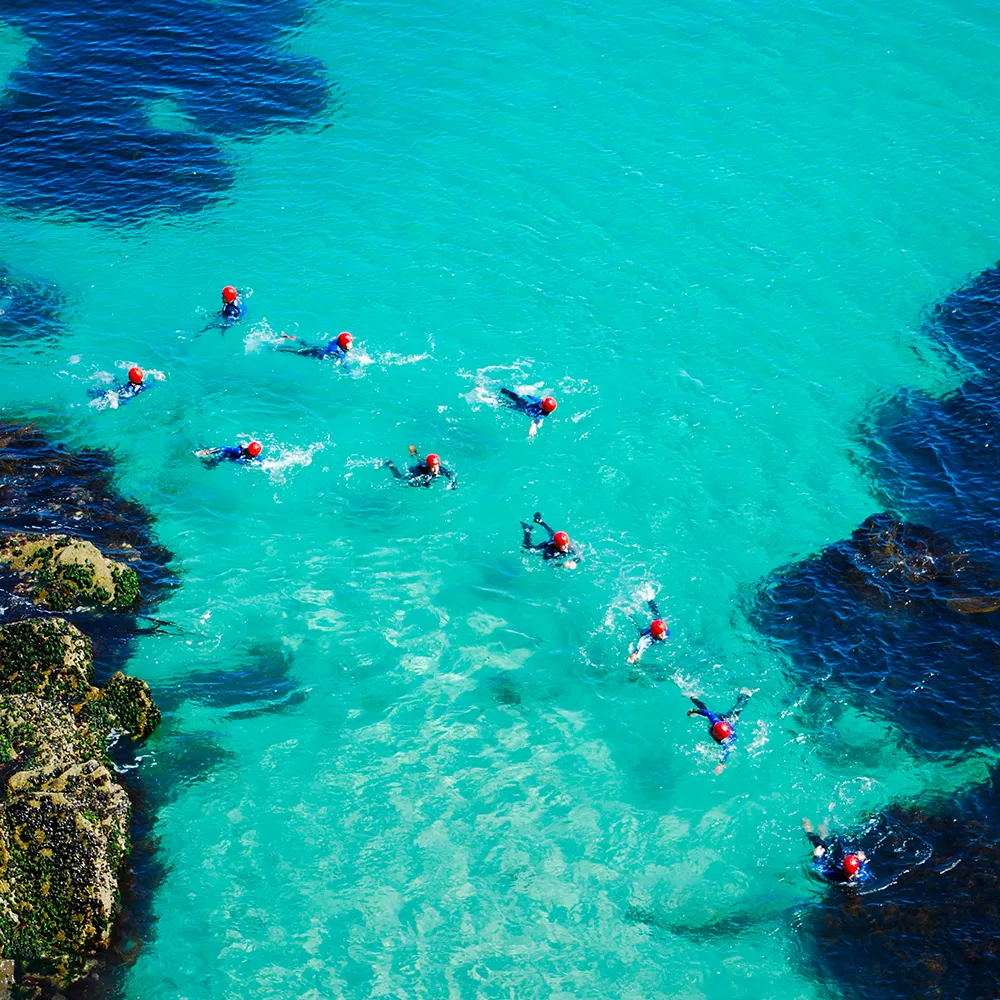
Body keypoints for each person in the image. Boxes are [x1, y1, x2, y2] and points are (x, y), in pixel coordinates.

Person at [687, 688, 752, 773]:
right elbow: (708, 713)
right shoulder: (716, 722)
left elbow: (726, 752)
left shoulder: (727, 741)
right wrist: (694, 711)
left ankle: (746, 697)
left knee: (736, 712)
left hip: (730, 723)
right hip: (724, 721)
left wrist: (721, 764)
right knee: (706, 710)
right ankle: (693, 697)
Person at [802, 819, 873, 885]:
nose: (850, 877)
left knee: (819, 843)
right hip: (841, 854)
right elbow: (864, 864)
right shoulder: (863, 875)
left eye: (849, 874)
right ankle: (824, 825)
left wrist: (817, 857)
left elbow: (819, 869)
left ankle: (807, 826)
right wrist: (863, 860)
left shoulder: (834, 875)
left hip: (833, 861)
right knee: (837, 839)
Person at [385, 445, 457, 488]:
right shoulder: (419, 472)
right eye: (433, 467)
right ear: (428, 467)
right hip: (416, 468)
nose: (436, 469)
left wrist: (453, 483)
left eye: (437, 466)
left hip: (425, 463)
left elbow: (450, 475)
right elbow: (411, 482)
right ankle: (391, 465)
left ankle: (414, 451)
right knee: (399, 478)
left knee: (420, 458)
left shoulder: (440, 469)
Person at [627, 599, 669, 663]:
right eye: (660, 633)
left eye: (663, 631)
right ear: (655, 634)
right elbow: (641, 645)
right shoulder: (649, 639)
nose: (663, 634)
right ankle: (630, 616)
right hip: (646, 631)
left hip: (655, 626)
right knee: (637, 627)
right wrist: (634, 654)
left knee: (657, 615)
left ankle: (649, 600)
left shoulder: (666, 631)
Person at [279, 331, 353, 366]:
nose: (351, 345)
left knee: (307, 344)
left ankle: (291, 338)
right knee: (297, 351)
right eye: (349, 343)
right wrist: (350, 372)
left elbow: (330, 341)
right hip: (316, 354)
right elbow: (344, 364)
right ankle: (278, 348)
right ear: (343, 344)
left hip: (320, 348)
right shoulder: (338, 353)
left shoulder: (337, 341)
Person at [195, 440, 263, 467]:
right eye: (249, 454)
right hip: (226, 456)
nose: (250, 456)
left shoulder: (257, 457)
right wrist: (210, 451)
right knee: (209, 466)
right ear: (247, 450)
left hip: (237, 460)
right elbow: (224, 448)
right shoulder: (238, 452)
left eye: (252, 455)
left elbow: (264, 463)